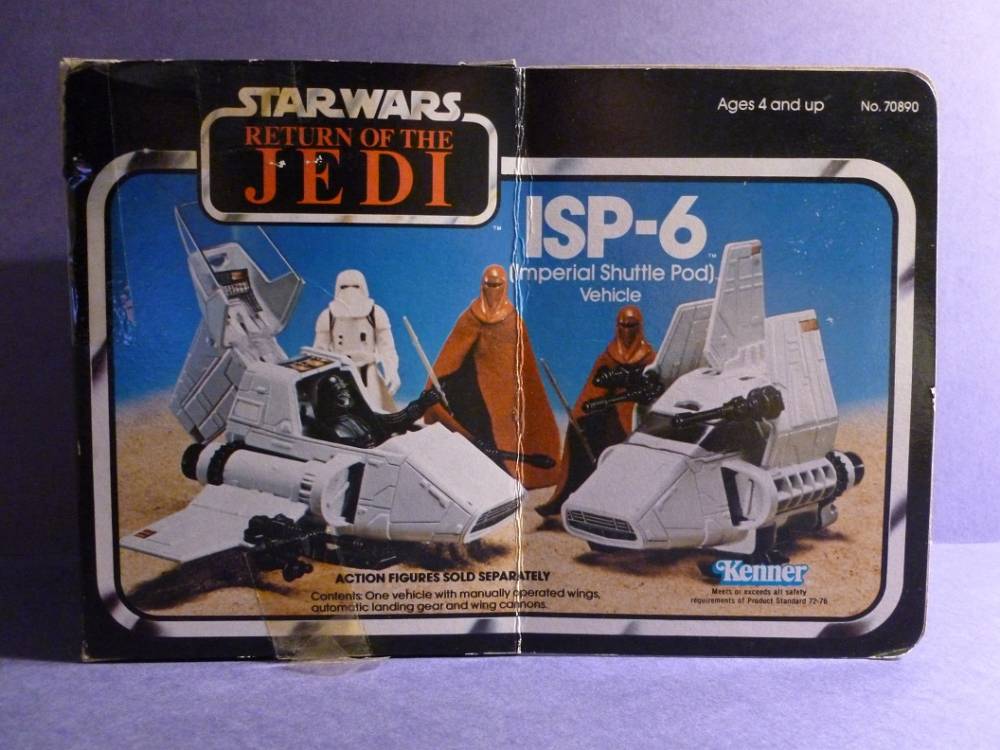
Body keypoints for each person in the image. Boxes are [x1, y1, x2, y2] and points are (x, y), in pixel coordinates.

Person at [424, 264, 560, 489]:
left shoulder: (514, 321)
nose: (492, 290)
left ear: (505, 286)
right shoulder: (469, 317)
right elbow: (451, 356)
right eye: (489, 285)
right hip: (471, 395)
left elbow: (525, 369)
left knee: (502, 442)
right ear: (482, 285)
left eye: (497, 285)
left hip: (504, 398)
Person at [535, 304, 655, 517]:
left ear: (639, 327)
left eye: (631, 326)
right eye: (623, 325)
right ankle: (567, 497)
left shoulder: (650, 358)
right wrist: (580, 415)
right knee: (580, 432)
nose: (626, 331)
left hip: (633, 414)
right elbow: (594, 389)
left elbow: (652, 390)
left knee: (621, 443)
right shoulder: (609, 356)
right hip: (607, 411)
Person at [314, 269, 400, 412]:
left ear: (363, 288)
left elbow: (387, 348)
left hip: (368, 372)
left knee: (375, 410)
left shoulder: (376, 313)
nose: (350, 291)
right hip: (339, 373)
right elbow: (319, 352)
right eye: (344, 287)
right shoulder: (327, 316)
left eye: (355, 286)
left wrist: (392, 371)